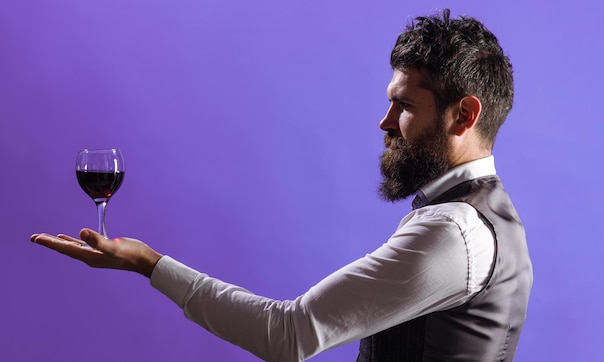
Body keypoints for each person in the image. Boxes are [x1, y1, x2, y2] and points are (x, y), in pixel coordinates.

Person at [31, 8, 532, 362]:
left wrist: (147, 263)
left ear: (463, 115)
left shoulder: (452, 232)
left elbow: (288, 334)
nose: (383, 122)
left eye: (403, 105)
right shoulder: (490, 214)